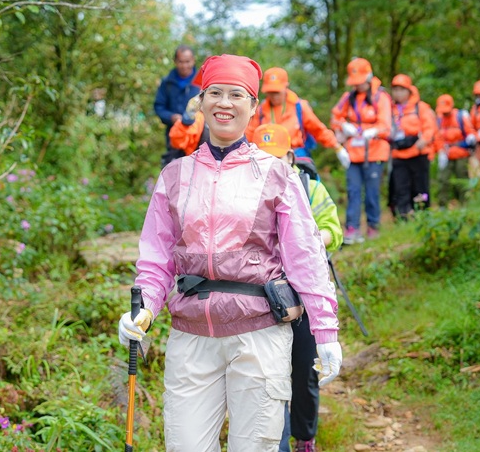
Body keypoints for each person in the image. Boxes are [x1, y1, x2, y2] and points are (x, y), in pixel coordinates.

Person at [119, 54, 343, 452]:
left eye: (236, 95)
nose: (225, 103)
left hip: (259, 335)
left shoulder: (278, 175)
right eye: (215, 93)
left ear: (253, 106)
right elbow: (157, 258)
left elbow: (305, 259)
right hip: (190, 338)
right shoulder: (175, 176)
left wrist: (325, 332)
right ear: (201, 102)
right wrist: (145, 308)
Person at [250, 124, 342, 452]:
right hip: (262, 293)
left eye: (277, 158)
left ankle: (304, 437)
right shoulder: (245, 188)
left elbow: (334, 229)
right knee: (268, 375)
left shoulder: (311, 188)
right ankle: (278, 442)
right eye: (262, 158)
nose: (270, 165)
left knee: (304, 370)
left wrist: (305, 241)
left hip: (302, 292)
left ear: (291, 156)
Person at [330, 58, 392, 244]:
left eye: (360, 82)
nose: (358, 86)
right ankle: (352, 228)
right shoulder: (348, 98)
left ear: (369, 78)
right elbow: (335, 118)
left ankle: (373, 227)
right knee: (353, 190)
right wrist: (344, 126)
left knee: (372, 191)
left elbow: (386, 125)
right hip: (353, 154)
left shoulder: (381, 97)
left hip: (375, 152)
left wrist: (374, 130)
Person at [246, 67, 351, 168]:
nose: (273, 96)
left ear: (286, 87)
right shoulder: (260, 110)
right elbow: (250, 134)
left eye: (277, 92)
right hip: (267, 156)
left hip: (296, 155)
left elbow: (318, 129)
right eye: (270, 92)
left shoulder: (299, 107)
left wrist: (337, 147)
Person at [387, 74, 437, 219]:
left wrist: (424, 140)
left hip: (418, 153)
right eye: (395, 89)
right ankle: (404, 216)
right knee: (401, 187)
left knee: (420, 186)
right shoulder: (390, 110)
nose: (398, 93)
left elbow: (430, 127)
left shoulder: (420, 107)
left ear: (409, 91)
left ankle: (423, 215)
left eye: (401, 89)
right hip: (398, 155)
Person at [153, 45, 201, 167]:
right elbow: (159, 106)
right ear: (175, 61)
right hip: (174, 136)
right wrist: (171, 117)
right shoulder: (167, 82)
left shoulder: (201, 82)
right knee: (175, 171)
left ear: (193, 60)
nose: (184, 65)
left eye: (187, 61)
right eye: (181, 62)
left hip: (198, 137)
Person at [434, 94, 476, 207]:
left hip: (461, 154)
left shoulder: (461, 116)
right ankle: (442, 205)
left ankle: (465, 204)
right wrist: (441, 151)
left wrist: (471, 137)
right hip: (447, 154)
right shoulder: (439, 119)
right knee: (443, 179)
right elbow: (438, 137)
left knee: (462, 180)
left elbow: (470, 131)